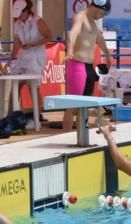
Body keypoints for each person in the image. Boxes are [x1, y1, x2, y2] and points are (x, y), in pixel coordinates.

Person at [63, 0, 112, 132]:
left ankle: (82, 136)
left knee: (84, 107)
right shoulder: (80, 17)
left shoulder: (94, 24)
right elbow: (72, 33)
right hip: (77, 65)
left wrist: (107, 55)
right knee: (72, 106)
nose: (102, 16)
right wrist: (70, 50)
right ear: (95, 7)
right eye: (102, 13)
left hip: (89, 67)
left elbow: (100, 40)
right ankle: (64, 137)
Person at [8, 0, 52, 117]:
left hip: (36, 57)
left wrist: (33, 44)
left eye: (20, 13)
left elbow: (49, 36)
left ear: (26, 11)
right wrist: (10, 60)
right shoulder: (17, 24)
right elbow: (17, 44)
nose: (18, 17)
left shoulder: (38, 21)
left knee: (34, 87)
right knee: (16, 85)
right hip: (23, 57)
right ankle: (10, 116)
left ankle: (37, 116)